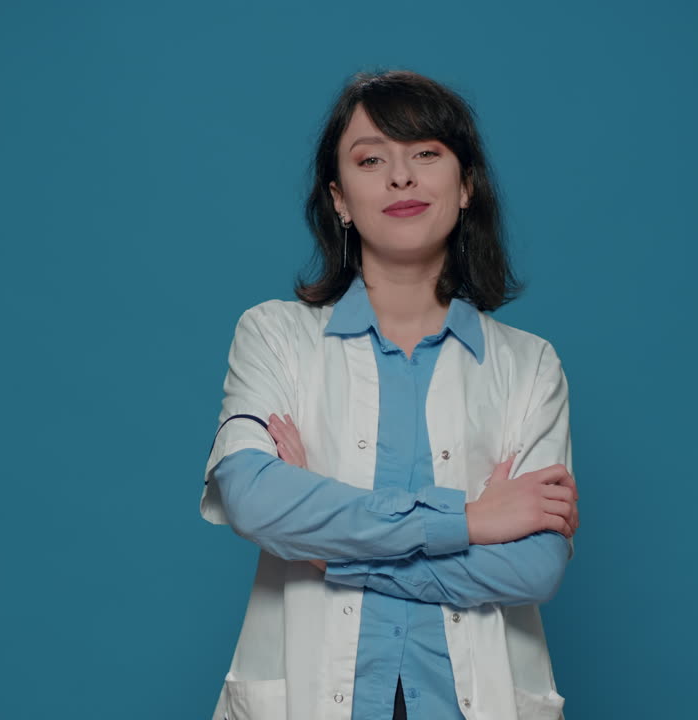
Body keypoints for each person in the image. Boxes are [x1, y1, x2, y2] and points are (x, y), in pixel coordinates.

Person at [200, 69, 579, 720]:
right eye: (371, 159)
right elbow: (251, 495)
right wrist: (472, 521)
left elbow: (534, 568)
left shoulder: (530, 366)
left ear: (465, 187)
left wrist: (329, 552)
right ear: (340, 198)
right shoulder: (275, 335)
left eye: (425, 154)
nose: (400, 178)